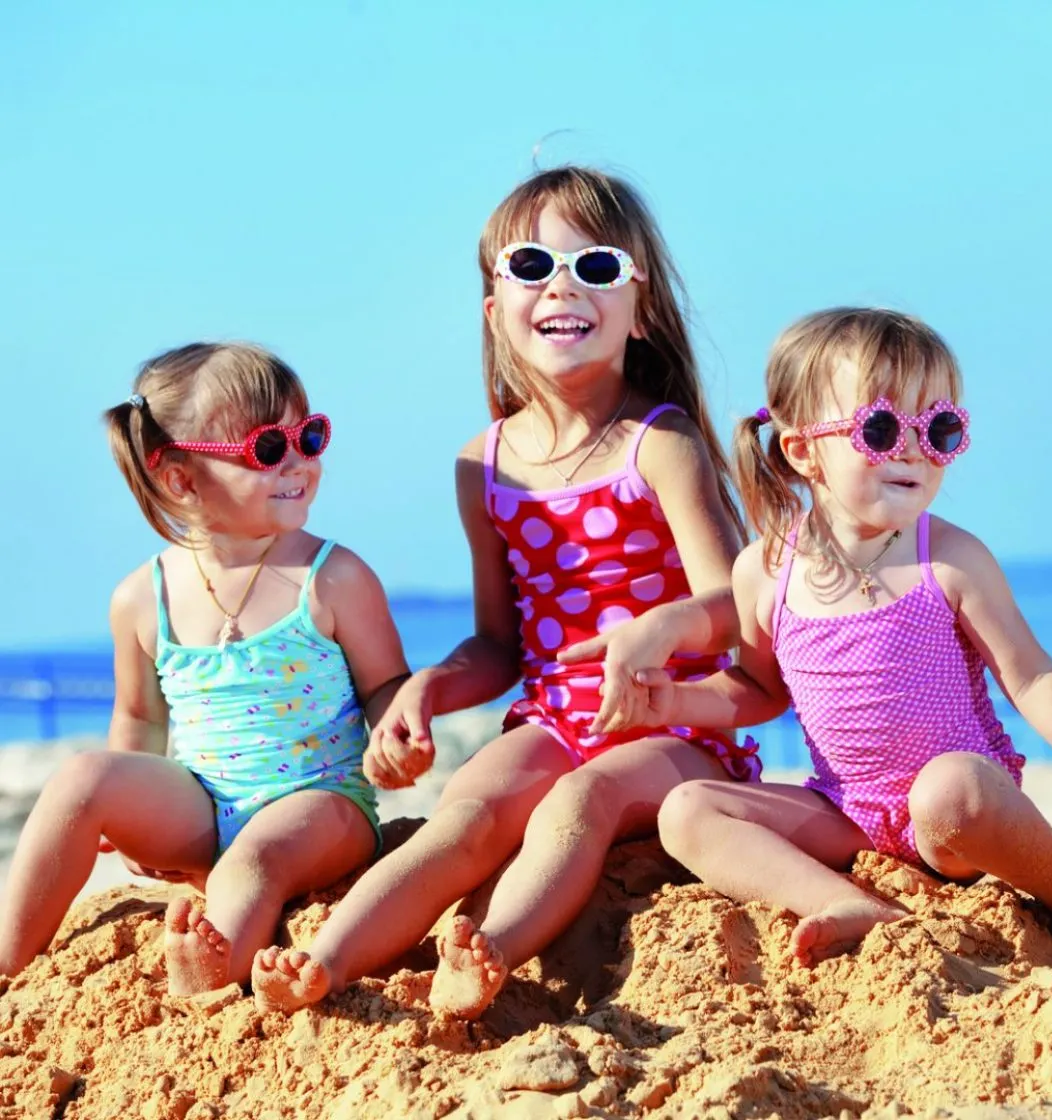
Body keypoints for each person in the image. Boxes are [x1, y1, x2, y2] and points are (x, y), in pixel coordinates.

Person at [253, 166, 758, 1019]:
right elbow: (501, 644)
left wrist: (660, 631)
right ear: (496, 311)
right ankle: (323, 962)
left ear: (640, 309)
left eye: (596, 266)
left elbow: (735, 608)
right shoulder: (482, 466)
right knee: (468, 813)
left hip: (673, 724)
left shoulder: (659, 443)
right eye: (531, 266)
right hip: (555, 717)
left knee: (583, 799)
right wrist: (429, 689)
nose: (562, 285)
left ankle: (492, 949)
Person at [618, 308, 1052, 966]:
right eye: (879, 429)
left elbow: (1030, 675)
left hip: (957, 822)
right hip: (847, 814)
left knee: (952, 787)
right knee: (686, 811)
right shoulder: (765, 572)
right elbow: (759, 688)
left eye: (939, 429)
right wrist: (676, 703)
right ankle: (848, 903)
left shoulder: (950, 560)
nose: (912, 450)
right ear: (802, 451)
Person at [0, 343, 410, 995]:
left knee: (255, 858)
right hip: (201, 805)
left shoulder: (332, 576)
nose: (298, 463)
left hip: (321, 805)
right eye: (268, 449)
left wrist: (397, 732)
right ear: (181, 481)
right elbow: (139, 717)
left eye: (309, 437)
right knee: (81, 779)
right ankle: (10, 960)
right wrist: (130, 813)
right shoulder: (143, 598)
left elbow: (386, 685)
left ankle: (213, 977)